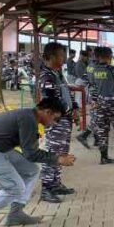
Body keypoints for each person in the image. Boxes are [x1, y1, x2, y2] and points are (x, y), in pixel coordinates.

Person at [0, 98, 76, 227]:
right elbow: (31, 154)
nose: (54, 123)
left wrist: (56, 158)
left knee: (31, 170)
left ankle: (16, 213)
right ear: (47, 112)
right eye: (55, 119)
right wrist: (58, 159)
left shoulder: (29, 116)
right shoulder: (28, 119)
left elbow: (30, 152)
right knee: (14, 187)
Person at [38, 42, 79, 203]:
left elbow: (67, 93)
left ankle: (56, 183)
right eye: (61, 55)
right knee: (53, 153)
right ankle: (46, 188)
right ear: (51, 56)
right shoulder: (46, 76)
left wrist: (74, 108)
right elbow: (51, 100)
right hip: (56, 121)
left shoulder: (58, 74)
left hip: (65, 119)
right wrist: (69, 112)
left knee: (62, 152)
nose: (63, 58)